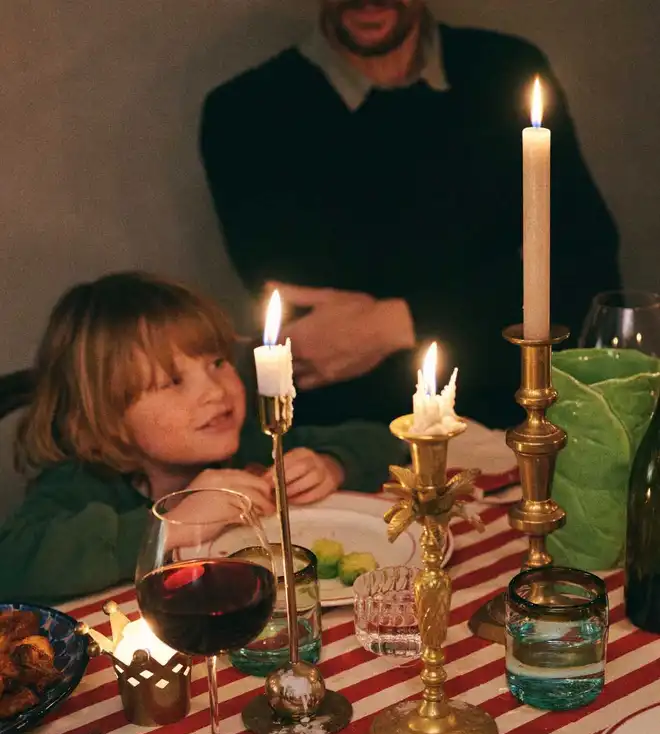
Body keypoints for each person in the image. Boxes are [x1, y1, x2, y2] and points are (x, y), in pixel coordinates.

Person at [200, 0, 620, 428]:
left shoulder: (504, 72)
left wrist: (393, 323)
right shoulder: (244, 113)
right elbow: (314, 336)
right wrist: (485, 300)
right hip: (345, 447)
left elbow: (583, 274)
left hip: (514, 423)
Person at [0, 272, 405, 603]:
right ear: (103, 419)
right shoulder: (80, 485)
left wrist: (333, 463)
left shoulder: (253, 447)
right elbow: (12, 563)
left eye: (217, 362)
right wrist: (167, 526)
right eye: (173, 382)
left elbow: (387, 441)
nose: (216, 390)